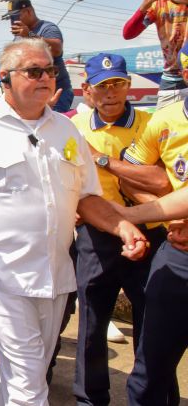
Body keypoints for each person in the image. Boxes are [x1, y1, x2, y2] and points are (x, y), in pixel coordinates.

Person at [0, 38, 149, 406]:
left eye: (50, 70)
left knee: (27, 374)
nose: (46, 77)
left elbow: (88, 197)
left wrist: (121, 226)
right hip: (2, 275)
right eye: (34, 71)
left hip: (55, 278)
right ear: (5, 79)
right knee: (28, 383)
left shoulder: (66, 129)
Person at [70, 53, 169, 406]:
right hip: (98, 236)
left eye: (118, 84)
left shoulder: (153, 122)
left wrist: (102, 160)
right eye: (102, 86)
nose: (111, 93)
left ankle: (152, 398)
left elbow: (162, 182)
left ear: (128, 85)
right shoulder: (75, 129)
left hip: (152, 232)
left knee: (154, 325)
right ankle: (89, 399)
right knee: (92, 325)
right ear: (87, 90)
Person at [122, 44, 188, 405]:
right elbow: (132, 177)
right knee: (151, 369)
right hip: (176, 256)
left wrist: (133, 215)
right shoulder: (164, 121)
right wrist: (164, 212)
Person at [123, 0, 188, 107]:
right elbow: (128, 34)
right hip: (172, 79)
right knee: (163, 127)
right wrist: (143, 7)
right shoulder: (158, 3)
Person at [9, 0, 72, 112]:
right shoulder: (18, 37)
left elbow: (57, 49)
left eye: (16, 16)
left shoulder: (48, 28)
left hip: (55, 92)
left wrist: (29, 35)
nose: (13, 21)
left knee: (53, 126)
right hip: (33, 94)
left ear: (29, 11)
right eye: (11, 17)